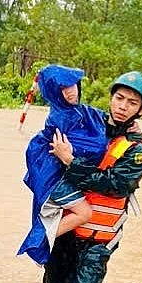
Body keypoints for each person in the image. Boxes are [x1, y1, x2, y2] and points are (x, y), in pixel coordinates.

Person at [41, 71, 142, 283]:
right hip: (68, 232)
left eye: (132, 103)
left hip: (98, 241)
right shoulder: (88, 123)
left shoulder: (138, 148)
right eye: (119, 98)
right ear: (111, 98)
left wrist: (71, 162)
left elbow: (114, 185)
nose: (123, 106)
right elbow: (61, 112)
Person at [18, 64, 108, 264]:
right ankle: (40, 241)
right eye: (63, 89)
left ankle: (44, 240)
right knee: (85, 212)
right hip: (54, 179)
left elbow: (100, 119)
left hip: (58, 176)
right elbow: (81, 147)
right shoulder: (59, 118)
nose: (70, 92)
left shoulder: (78, 112)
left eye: (72, 85)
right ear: (54, 93)